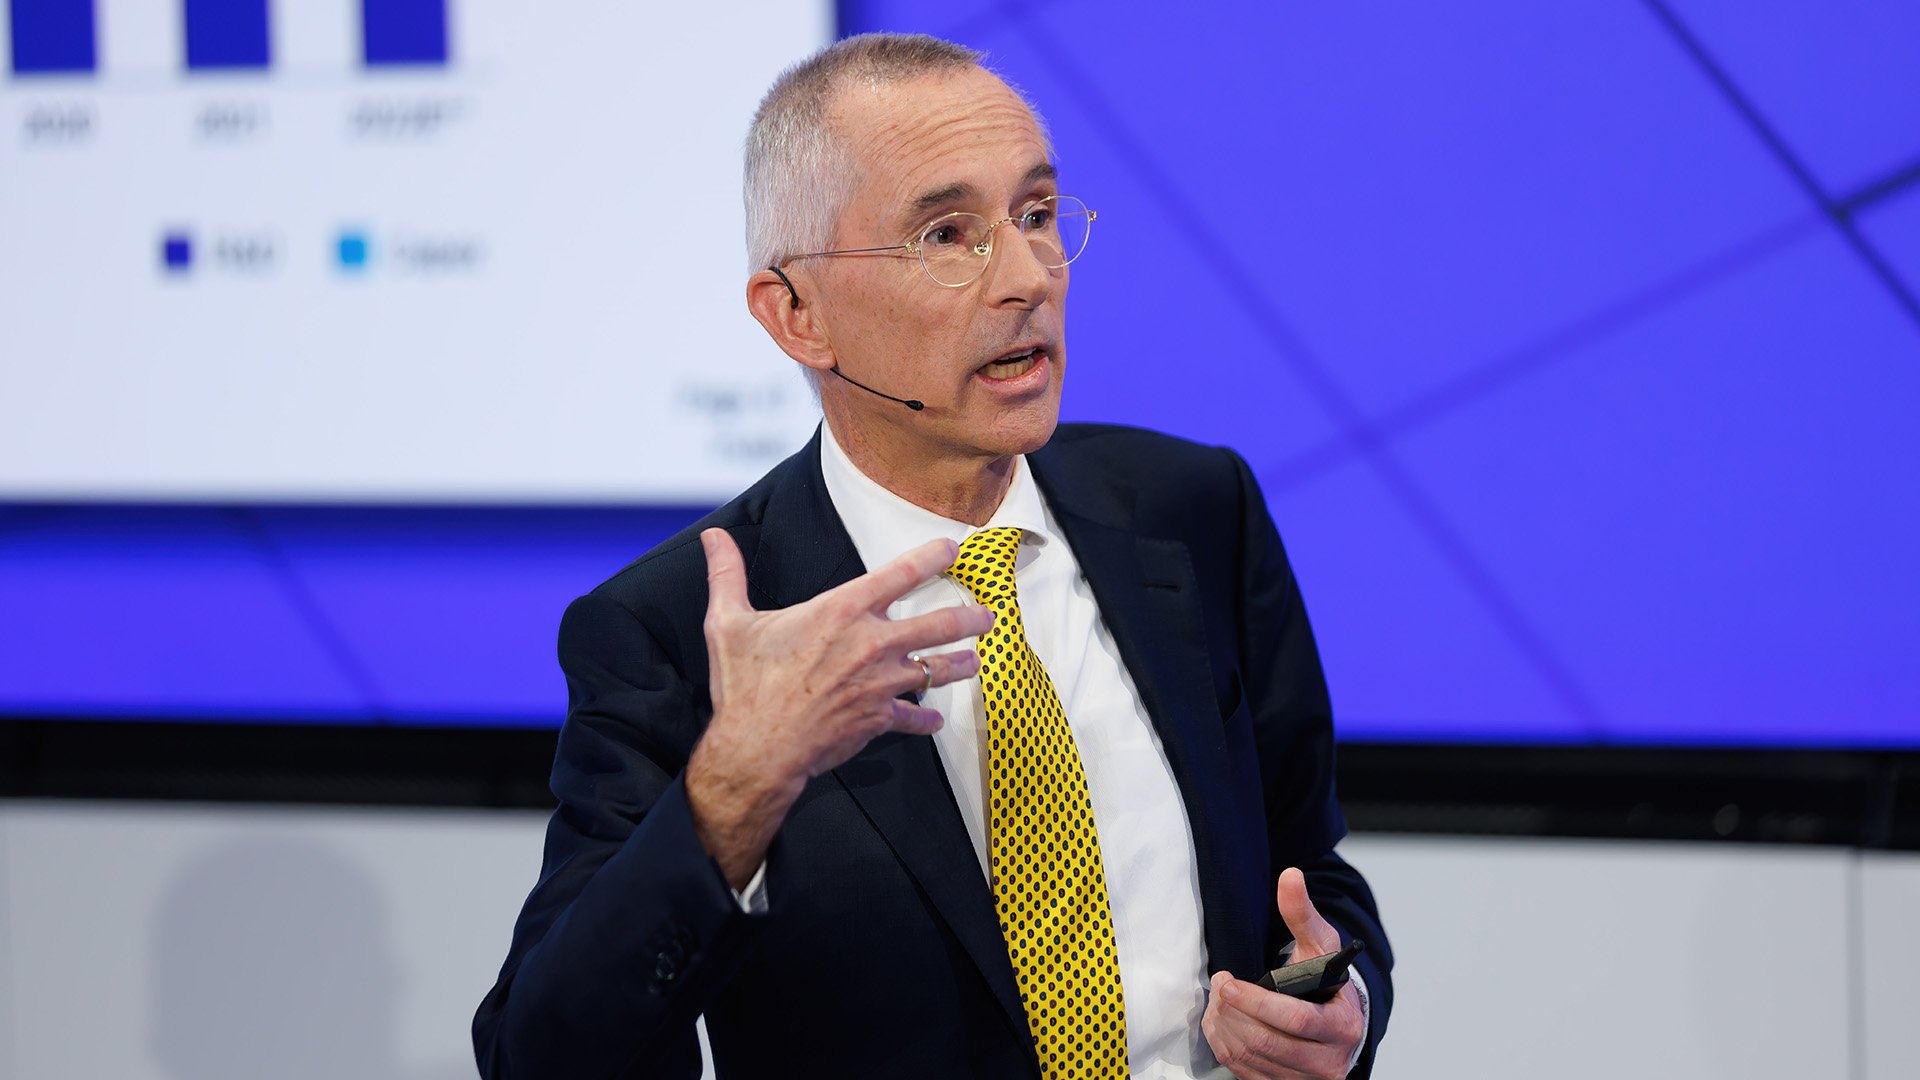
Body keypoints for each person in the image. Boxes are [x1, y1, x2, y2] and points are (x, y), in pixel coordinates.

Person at [473, 33, 1392, 1080]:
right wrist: (732, 788)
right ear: (798, 314)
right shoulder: (679, 629)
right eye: (948, 234)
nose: (1026, 277)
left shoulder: (1194, 511)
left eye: (1037, 215)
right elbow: (541, 1058)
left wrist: (1337, 1002)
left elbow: (1312, 876)